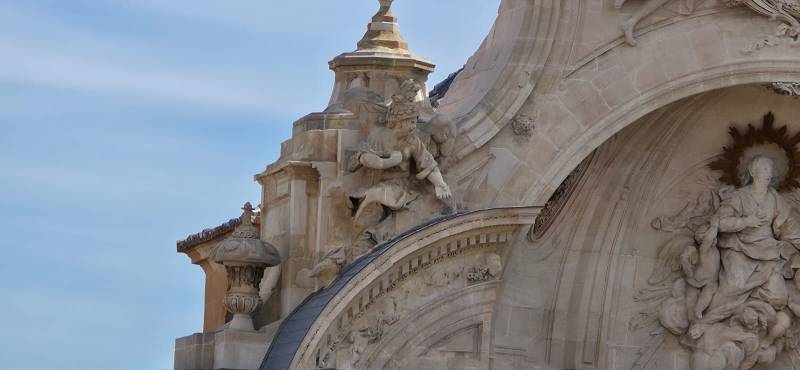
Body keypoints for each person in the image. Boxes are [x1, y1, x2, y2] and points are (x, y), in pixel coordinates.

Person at [688, 156, 800, 338]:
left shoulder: (776, 199)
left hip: (767, 252)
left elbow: (790, 228)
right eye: (763, 169)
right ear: (752, 172)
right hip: (739, 248)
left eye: (770, 169)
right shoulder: (739, 196)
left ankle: (747, 314)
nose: (768, 173)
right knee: (735, 285)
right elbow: (720, 222)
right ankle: (705, 321)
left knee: (779, 298)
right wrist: (745, 221)